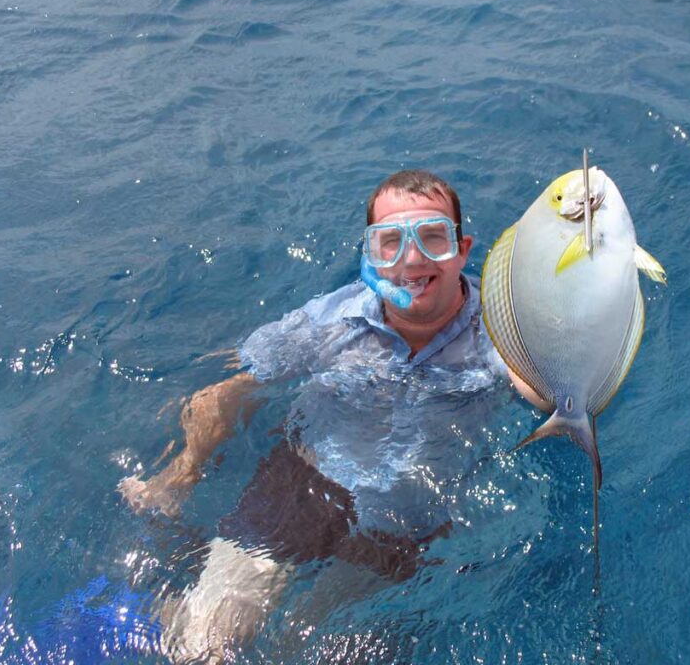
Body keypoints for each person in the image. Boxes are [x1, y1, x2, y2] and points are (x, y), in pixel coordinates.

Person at [119, 169, 544, 662]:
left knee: (311, 650)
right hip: (302, 488)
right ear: (370, 256)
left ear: (463, 249)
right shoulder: (330, 322)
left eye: (433, 238)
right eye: (391, 243)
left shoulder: (502, 329)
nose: (412, 258)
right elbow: (230, 389)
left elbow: (546, 392)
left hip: (406, 523)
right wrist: (179, 475)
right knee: (204, 645)